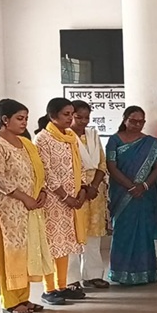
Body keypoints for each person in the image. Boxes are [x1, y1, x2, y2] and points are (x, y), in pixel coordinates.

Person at [0, 99, 55, 313]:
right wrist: (25, 198)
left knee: (25, 253)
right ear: (5, 119)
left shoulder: (25, 143)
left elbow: (38, 170)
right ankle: (10, 302)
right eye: (20, 118)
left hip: (29, 209)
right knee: (10, 255)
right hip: (7, 210)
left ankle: (23, 298)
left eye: (26, 118)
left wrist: (42, 191)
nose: (24, 122)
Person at [35, 98, 87, 305]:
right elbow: (46, 172)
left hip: (71, 201)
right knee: (51, 244)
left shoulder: (70, 136)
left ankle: (62, 285)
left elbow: (79, 164)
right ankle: (49, 289)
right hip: (53, 201)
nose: (70, 118)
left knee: (64, 244)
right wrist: (66, 197)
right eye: (66, 114)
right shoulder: (43, 138)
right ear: (52, 115)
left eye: (71, 114)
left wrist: (82, 189)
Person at [106, 107, 157, 285]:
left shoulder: (151, 143)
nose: (137, 125)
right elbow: (111, 167)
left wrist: (144, 186)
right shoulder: (114, 140)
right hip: (122, 193)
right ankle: (120, 273)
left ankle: (146, 272)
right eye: (133, 121)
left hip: (145, 195)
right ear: (125, 120)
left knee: (143, 232)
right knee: (123, 232)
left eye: (141, 122)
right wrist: (131, 187)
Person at [68, 100, 109, 289]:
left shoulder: (92, 135)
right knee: (74, 234)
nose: (83, 121)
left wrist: (93, 186)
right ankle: (71, 279)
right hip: (75, 192)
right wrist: (84, 188)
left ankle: (93, 275)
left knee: (94, 234)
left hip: (95, 192)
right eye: (79, 117)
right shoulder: (65, 137)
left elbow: (101, 163)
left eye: (87, 117)